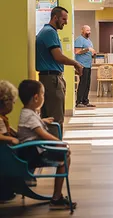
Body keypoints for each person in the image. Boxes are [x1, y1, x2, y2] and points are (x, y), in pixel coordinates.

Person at [17, 80, 76, 210]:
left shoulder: (28, 113)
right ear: (36, 98)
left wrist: (41, 120)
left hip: (32, 150)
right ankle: (56, 197)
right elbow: (42, 133)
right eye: (43, 94)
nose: (44, 97)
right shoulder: (29, 115)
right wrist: (58, 142)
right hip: (33, 153)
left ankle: (57, 196)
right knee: (65, 156)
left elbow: (33, 124)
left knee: (64, 154)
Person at [36, 6, 83, 137]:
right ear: (55, 17)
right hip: (52, 80)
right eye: (64, 19)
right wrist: (76, 63)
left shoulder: (46, 31)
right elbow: (58, 56)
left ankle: (49, 149)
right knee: (56, 119)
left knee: (48, 118)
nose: (66, 22)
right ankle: (57, 151)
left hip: (48, 78)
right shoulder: (49, 32)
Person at [74, 25, 96, 108]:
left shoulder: (89, 41)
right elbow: (77, 51)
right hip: (82, 65)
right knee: (82, 83)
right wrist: (88, 49)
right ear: (82, 31)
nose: (89, 32)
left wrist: (93, 54)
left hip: (88, 65)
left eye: (89, 30)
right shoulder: (79, 40)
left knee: (87, 84)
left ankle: (85, 101)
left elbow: (89, 52)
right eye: (87, 30)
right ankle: (79, 101)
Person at [0, 80, 19, 145]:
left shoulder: (2, 118)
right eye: (13, 101)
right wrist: (11, 139)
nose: (14, 103)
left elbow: (4, 129)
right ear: (6, 101)